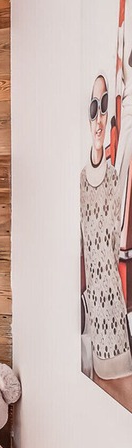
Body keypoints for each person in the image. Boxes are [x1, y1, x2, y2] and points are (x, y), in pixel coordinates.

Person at [81, 73, 132, 380]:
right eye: (93, 110)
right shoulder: (82, 176)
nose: (98, 119)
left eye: (103, 108)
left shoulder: (114, 174)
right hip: (94, 308)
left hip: (115, 303)